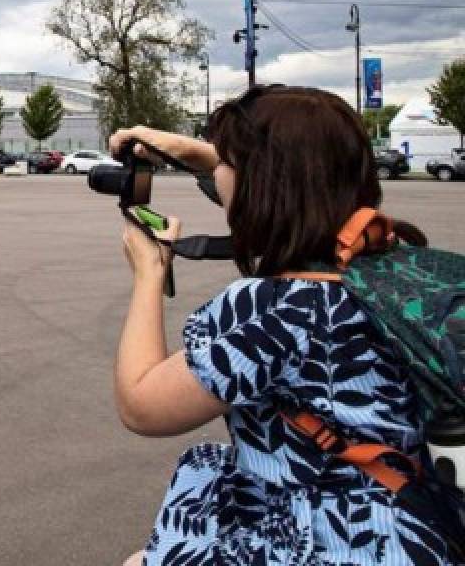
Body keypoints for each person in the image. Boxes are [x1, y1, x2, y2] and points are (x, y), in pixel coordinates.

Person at [110, 85, 464, 565]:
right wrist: (190, 151)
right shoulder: (396, 268)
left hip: (328, 541)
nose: (217, 174)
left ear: (256, 185)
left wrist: (149, 275)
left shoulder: (274, 311)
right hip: (415, 527)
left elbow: (142, 405)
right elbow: (291, 181)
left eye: (224, 166)